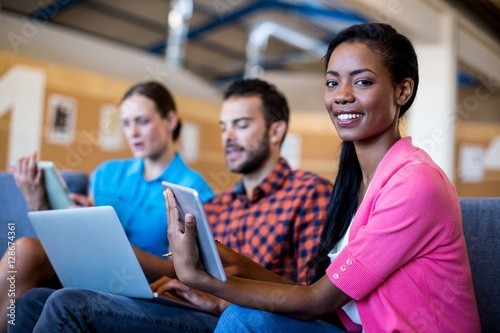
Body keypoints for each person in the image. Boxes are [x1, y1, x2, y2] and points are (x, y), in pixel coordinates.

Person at [165, 23, 481, 332]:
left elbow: (317, 301)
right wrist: (234, 263)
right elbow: (327, 297)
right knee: (240, 314)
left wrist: (202, 279)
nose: (341, 96)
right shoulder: (356, 183)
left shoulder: (416, 183)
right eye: (332, 83)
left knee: (244, 320)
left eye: (362, 82)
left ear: (403, 90)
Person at [10, 79, 334, 332]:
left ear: (276, 130)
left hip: (237, 318)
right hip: (193, 303)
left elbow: (313, 295)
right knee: (33, 301)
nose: (228, 137)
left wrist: (221, 299)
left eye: (241, 125)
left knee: (68, 303)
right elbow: (196, 270)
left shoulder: (308, 192)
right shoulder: (222, 205)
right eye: (223, 127)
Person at [0, 81, 215, 333]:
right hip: (90, 270)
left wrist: (114, 244)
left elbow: (184, 271)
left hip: (148, 287)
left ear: (170, 121)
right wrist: (38, 198)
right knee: (25, 249)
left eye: (142, 121)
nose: (132, 132)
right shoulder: (106, 173)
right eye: (126, 123)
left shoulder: (191, 187)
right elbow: (65, 241)